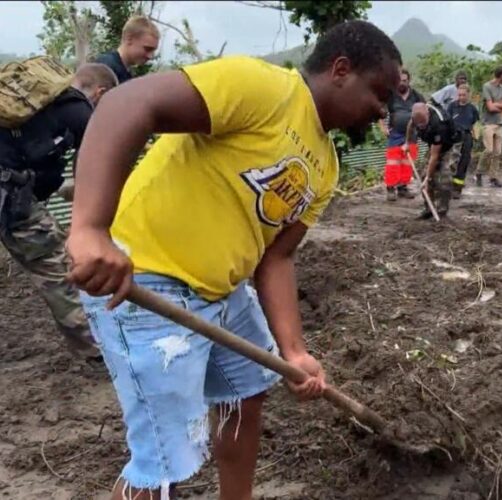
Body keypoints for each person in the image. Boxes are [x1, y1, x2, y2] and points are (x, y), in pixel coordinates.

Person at [66, 21, 401, 498]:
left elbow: (278, 258)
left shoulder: (326, 164)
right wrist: (90, 230)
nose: (382, 110)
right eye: (379, 94)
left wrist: (294, 351)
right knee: (167, 456)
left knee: (245, 395)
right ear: (341, 70)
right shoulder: (262, 88)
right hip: (144, 278)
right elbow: (127, 103)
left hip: (223, 291)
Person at [0, 62, 118, 359]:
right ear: (100, 93)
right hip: (12, 199)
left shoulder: (37, 107)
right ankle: (97, 349)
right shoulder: (79, 112)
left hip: (12, 191)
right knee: (59, 270)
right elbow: (92, 172)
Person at [410, 102, 463, 219]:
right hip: (434, 145)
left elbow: (435, 156)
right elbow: (410, 125)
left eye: (423, 123)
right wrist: (406, 143)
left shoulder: (439, 124)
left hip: (450, 145)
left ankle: (442, 212)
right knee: (423, 176)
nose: (421, 126)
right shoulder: (416, 116)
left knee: (443, 178)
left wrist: (428, 179)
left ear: (427, 113)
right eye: (419, 125)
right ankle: (429, 208)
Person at [378, 68, 424, 201]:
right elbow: (379, 110)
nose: (401, 83)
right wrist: (383, 127)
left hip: (412, 134)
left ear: (409, 81)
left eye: (404, 80)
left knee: (407, 162)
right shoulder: (391, 95)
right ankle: (391, 188)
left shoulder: (416, 96)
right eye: (399, 80)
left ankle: (403, 187)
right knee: (393, 161)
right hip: (395, 133)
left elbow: (424, 111)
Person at [95, 15, 160, 84]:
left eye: (153, 51)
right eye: (147, 49)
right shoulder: (107, 67)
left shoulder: (125, 72)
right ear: (129, 39)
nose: (150, 56)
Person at [476, 66, 502, 188]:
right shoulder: (487, 87)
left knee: (497, 153)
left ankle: (493, 177)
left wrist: (498, 105)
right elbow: (490, 108)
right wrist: (501, 105)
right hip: (488, 123)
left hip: (499, 123)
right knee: (489, 150)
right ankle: (479, 172)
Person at [446, 84, 479, 199]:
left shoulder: (472, 109)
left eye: (464, 95)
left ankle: (457, 188)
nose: (461, 97)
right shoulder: (451, 107)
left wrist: (476, 136)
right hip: (454, 136)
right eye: (459, 95)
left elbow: (475, 124)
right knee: (452, 162)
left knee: (464, 162)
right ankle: (447, 186)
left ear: (468, 95)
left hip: (466, 136)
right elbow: (447, 122)